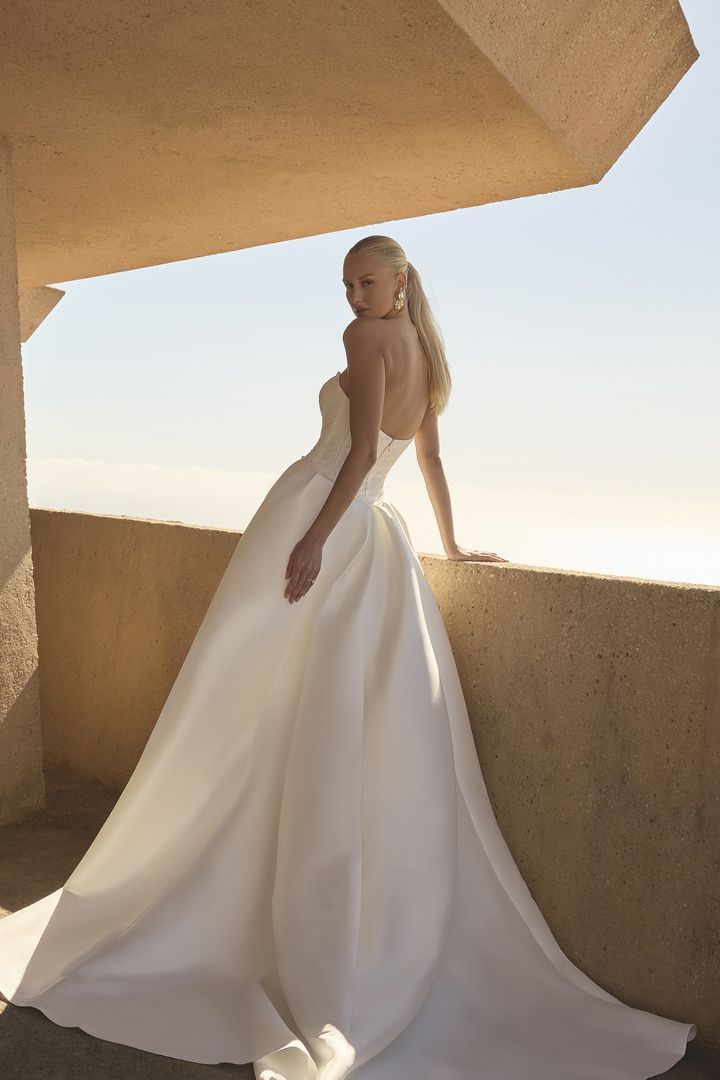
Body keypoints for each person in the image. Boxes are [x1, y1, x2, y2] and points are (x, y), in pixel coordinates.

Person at [0, 235, 696, 1079]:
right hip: (382, 541)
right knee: (316, 713)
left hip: (322, 519)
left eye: (366, 281)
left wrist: (312, 546)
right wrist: (451, 543)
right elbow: (427, 458)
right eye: (346, 284)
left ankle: (217, 883)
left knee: (239, 699)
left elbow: (361, 454)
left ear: (399, 281)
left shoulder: (365, 342)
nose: (352, 297)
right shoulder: (430, 353)